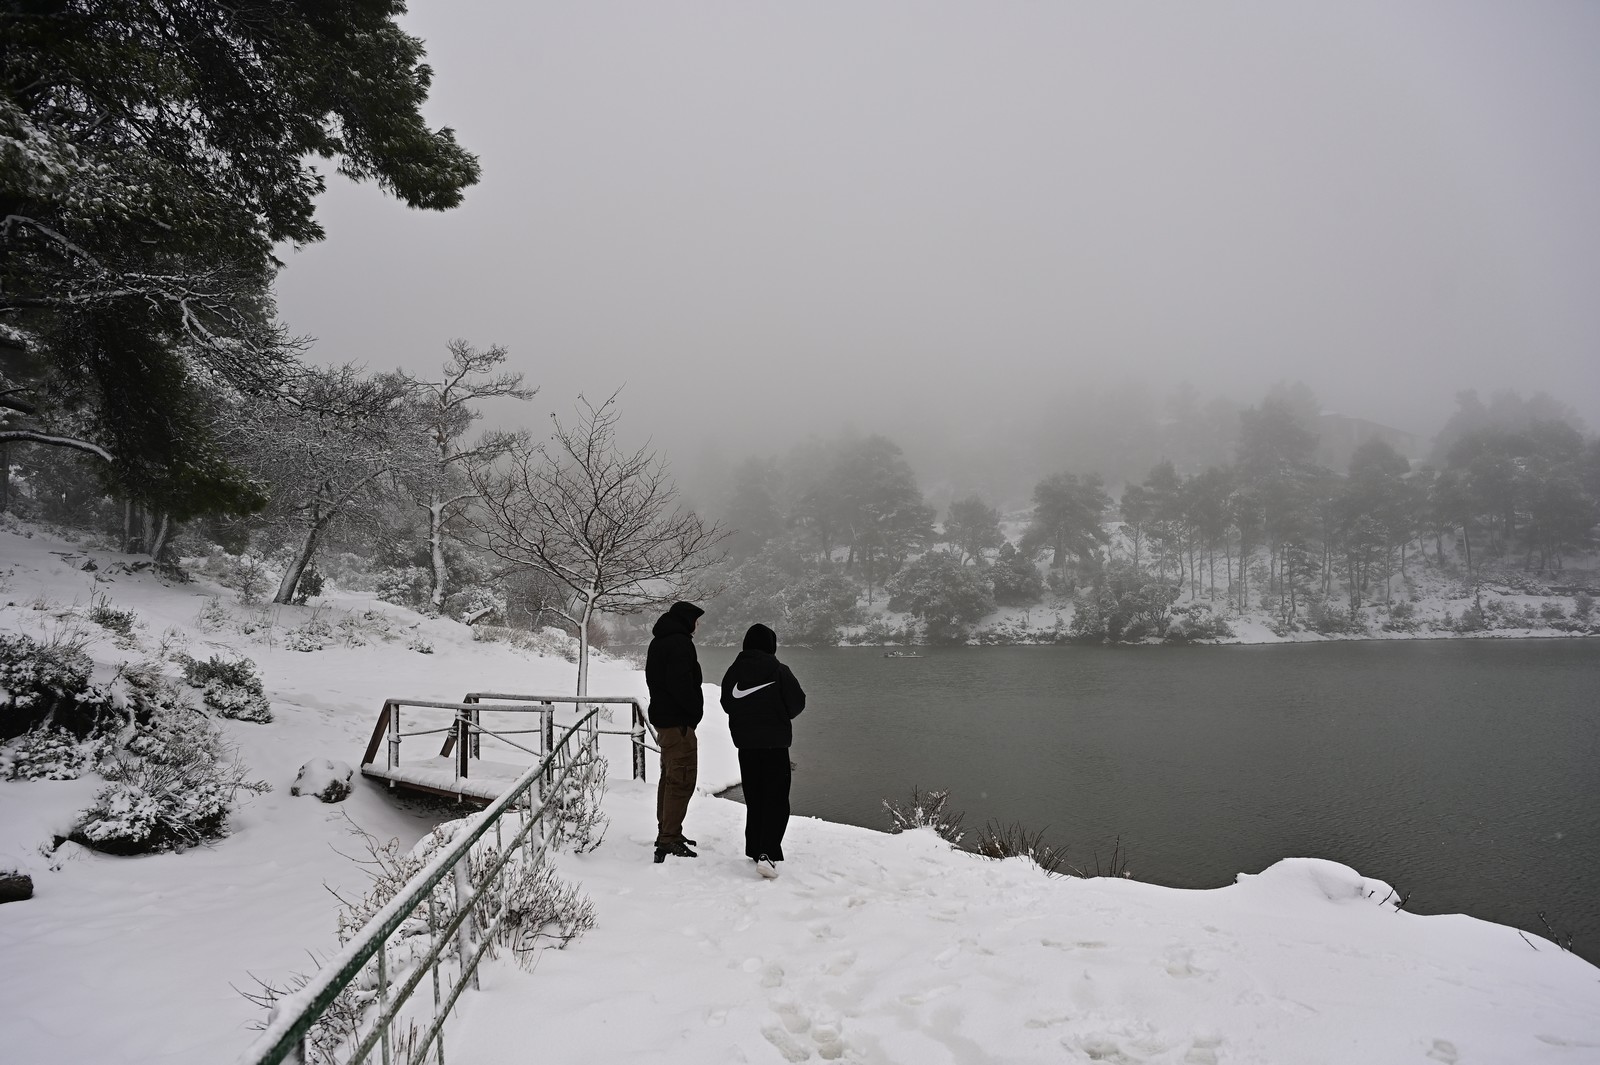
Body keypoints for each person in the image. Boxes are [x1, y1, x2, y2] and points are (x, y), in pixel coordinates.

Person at [720, 623, 805, 878]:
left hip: (746, 746)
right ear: (771, 644)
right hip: (775, 746)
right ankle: (768, 853)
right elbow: (797, 703)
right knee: (776, 801)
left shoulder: (734, 671)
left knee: (755, 797)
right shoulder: (779, 670)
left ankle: (755, 847)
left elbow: (727, 703)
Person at [646, 600, 705, 862]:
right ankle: (668, 839)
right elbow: (681, 684)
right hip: (677, 723)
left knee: (669, 777)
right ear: (686, 620)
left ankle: (668, 831)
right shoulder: (679, 643)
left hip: (666, 720)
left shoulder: (661, 641)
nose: (698, 625)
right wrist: (693, 713)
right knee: (681, 780)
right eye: (696, 620)